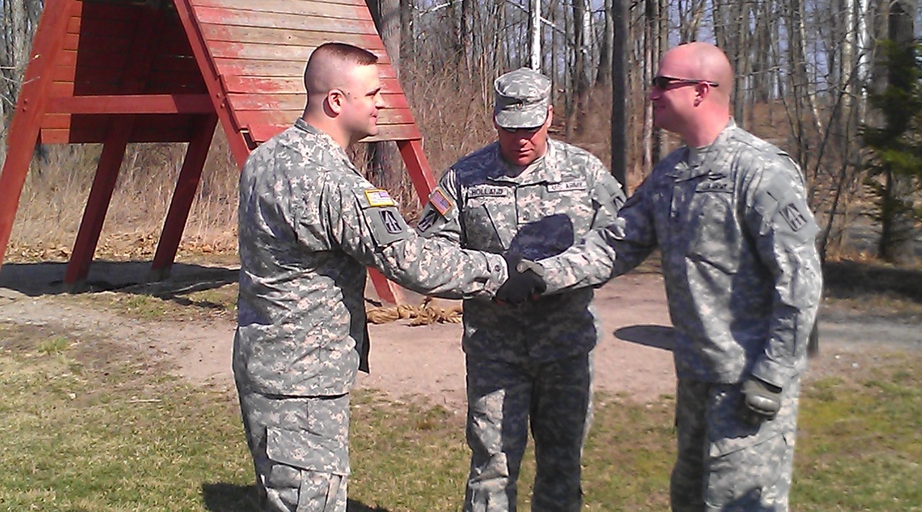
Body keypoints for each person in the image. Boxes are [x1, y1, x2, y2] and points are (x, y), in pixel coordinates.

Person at [502, 43, 823, 511]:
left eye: (662, 84)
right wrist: (543, 276)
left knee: (737, 504)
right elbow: (617, 241)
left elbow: (800, 282)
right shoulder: (673, 173)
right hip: (696, 377)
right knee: (690, 500)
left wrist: (773, 375)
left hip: (747, 382)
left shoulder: (760, 172)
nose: (650, 94)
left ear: (700, 91)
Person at [234, 42, 519, 512]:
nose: (380, 103)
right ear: (336, 102)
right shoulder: (331, 180)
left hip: (267, 361)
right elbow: (410, 260)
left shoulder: (268, 157)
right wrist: (501, 272)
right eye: (371, 94)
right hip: (304, 381)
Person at [415, 67, 625, 511]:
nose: (522, 139)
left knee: (562, 466)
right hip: (496, 353)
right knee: (492, 466)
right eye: (511, 129)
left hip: (564, 350)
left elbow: (617, 246)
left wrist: (552, 275)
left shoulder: (584, 174)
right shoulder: (465, 179)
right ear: (495, 121)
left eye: (531, 127)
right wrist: (490, 274)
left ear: (550, 115)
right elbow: (429, 253)